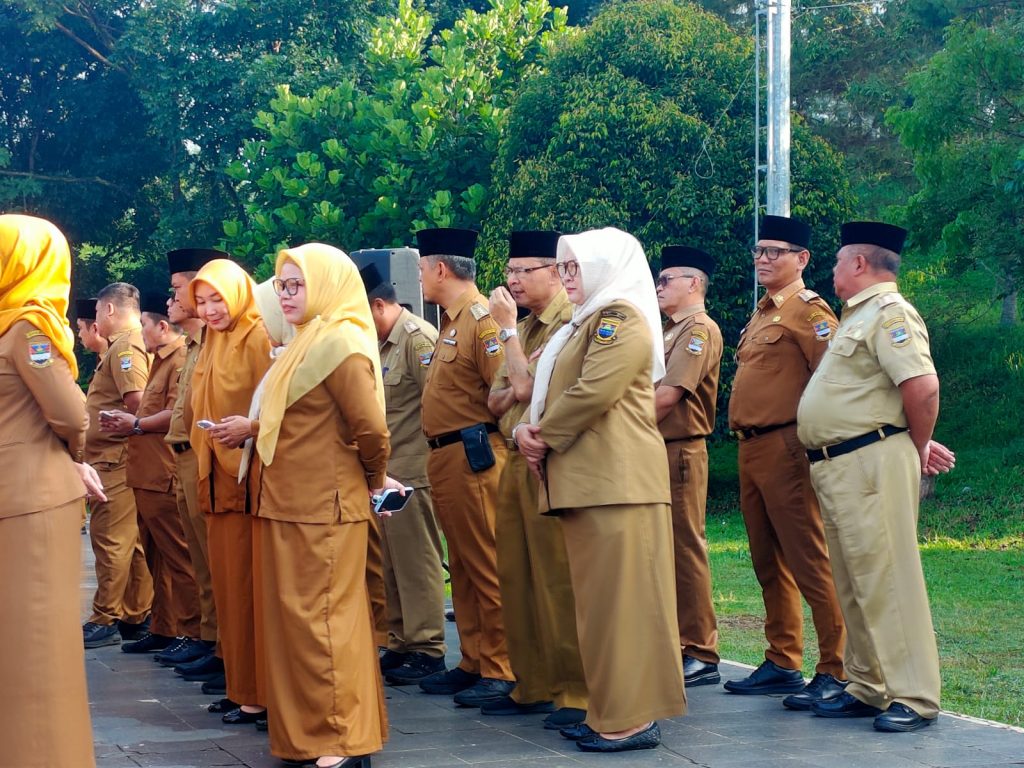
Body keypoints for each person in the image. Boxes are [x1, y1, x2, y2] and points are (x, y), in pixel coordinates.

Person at [516, 227, 685, 753]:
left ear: (606, 267)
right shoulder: (584, 322)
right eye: (563, 267)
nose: (567, 276)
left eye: (576, 267)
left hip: (617, 484)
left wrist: (540, 436)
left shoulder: (621, 319)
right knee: (599, 610)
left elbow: (593, 391)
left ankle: (631, 719)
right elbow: (556, 390)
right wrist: (526, 427)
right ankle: (608, 710)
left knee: (624, 607)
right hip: (592, 482)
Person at [798, 221, 955, 732]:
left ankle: (914, 695)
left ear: (860, 263)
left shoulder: (890, 313)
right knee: (854, 579)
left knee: (888, 577)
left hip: (871, 461)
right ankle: (867, 685)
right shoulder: (857, 316)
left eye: (838, 260)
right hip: (841, 464)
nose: (833, 268)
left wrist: (916, 446)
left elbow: (922, 388)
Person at [250, 243, 393, 768]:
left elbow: (371, 429)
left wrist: (374, 480)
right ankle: (309, 736)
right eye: (282, 285)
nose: (286, 295)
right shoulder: (308, 339)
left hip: (324, 504)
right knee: (298, 625)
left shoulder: (341, 343)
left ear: (328, 285)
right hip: (290, 500)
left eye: (297, 285)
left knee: (324, 623)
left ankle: (341, 741)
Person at [724, 215, 848, 711]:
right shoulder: (762, 313)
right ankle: (783, 659)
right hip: (750, 447)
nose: (763, 259)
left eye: (774, 251)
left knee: (808, 559)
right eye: (759, 251)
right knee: (767, 559)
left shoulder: (810, 311)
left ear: (802, 259)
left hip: (787, 446)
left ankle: (837, 667)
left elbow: (835, 377)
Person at [0, 213, 105, 767]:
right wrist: (76, 456)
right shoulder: (31, 329)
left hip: (11, 496)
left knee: (17, 638)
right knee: (41, 642)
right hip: (35, 498)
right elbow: (70, 414)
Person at [483, 230, 588, 729]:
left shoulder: (569, 323)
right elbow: (496, 400)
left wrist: (506, 335)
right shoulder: (524, 328)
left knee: (556, 578)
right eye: (510, 271)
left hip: (548, 461)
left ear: (556, 273)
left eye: (525, 271)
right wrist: (517, 372)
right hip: (511, 455)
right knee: (516, 574)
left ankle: (574, 690)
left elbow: (522, 388)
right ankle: (532, 684)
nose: (513, 281)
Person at [416, 227, 514, 706]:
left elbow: (507, 390)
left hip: (475, 456)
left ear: (440, 269)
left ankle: (502, 667)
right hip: (447, 458)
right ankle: (474, 660)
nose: (418, 277)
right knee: (463, 565)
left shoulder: (481, 320)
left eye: (421, 268)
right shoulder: (450, 322)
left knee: (487, 564)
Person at [359, 262, 449, 686]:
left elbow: (439, 402)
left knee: (417, 561)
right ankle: (400, 641)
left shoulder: (417, 339)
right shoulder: (381, 344)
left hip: (414, 469)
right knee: (392, 564)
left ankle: (427, 647)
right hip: (388, 473)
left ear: (379, 305)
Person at [189, 259, 271, 724]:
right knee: (227, 589)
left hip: (246, 477)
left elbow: (274, 407)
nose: (209, 310)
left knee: (248, 589)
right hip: (214, 476)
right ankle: (241, 686)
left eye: (217, 298)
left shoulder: (258, 335)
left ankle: (260, 691)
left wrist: (248, 431)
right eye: (201, 302)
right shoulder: (212, 338)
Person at [101, 293, 201, 655]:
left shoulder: (180, 360)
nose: (139, 331)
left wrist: (136, 424)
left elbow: (176, 414)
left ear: (161, 326)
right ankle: (164, 627)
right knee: (156, 559)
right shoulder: (159, 360)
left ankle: (194, 634)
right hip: (145, 476)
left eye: (144, 324)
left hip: (163, 474)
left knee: (180, 560)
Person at [654, 245, 723, 688]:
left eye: (667, 280)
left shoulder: (698, 329)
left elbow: (667, 395)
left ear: (694, 283)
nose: (659, 287)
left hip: (680, 449)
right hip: (658, 447)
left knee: (684, 547)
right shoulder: (669, 330)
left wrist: (615, 423)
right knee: (663, 549)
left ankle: (700, 649)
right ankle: (676, 643)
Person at [156, 248, 224, 680]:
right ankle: (210, 637)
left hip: (206, 457)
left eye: (178, 289)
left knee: (217, 560)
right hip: (182, 456)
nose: (173, 300)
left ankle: (223, 646)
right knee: (201, 559)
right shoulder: (195, 345)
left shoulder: (220, 342)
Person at [82, 281, 155, 648]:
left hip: (116, 459)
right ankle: (135, 613)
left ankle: (106, 616)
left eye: (97, 310)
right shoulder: (120, 346)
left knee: (111, 539)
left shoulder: (126, 346)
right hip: (111, 458)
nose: (96, 318)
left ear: (109, 309)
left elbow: (138, 401)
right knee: (130, 542)